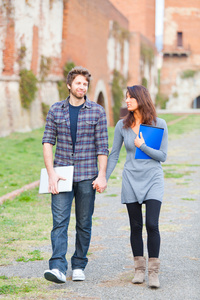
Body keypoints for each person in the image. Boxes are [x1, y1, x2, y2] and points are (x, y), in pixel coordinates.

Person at [42, 66, 109, 284]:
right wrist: (51, 174)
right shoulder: (55, 110)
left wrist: (102, 175)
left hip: (87, 176)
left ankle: (79, 264)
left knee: (84, 222)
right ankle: (58, 267)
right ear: (69, 85)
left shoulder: (97, 111)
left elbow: (102, 147)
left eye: (85, 84)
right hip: (61, 174)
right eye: (78, 83)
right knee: (59, 222)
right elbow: (47, 142)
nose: (82, 87)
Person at [106, 85, 168, 288]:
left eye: (131, 97)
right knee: (135, 226)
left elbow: (162, 157)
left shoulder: (159, 124)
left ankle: (154, 272)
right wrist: (103, 177)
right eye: (126, 97)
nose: (127, 101)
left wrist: (143, 146)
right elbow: (114, 154)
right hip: (131, 179)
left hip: (153, 179)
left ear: (141, 99)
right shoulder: (121, 126)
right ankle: (139, 270)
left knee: (152, 224)